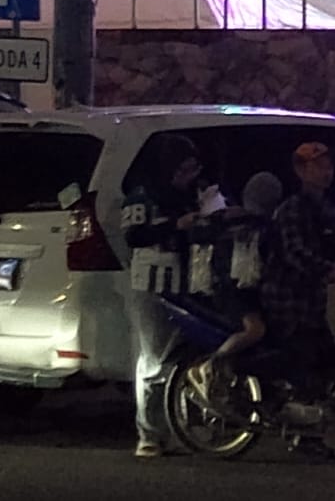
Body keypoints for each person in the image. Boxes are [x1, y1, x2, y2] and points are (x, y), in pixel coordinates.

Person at [259, 142, 335, 457]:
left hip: (312, 300)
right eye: (318, 166)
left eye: (328, 165)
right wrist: (329, 270)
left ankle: (309, 429)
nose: (326, 171)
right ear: (300, 171)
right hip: (288, 299)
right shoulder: (293, 209)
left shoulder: (324, 207)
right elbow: (296, 254)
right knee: (309, 363)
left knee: (330, 363)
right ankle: (302, 434)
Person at [121, 133, 216, 460]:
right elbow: (134, 236)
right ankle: (149, 435)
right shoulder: (142, 196)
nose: (188, 176)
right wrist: (177, 225)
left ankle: (176, 430)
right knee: (153, 361)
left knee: (182, 359)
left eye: (193, 169)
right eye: (183, 170)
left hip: (185, 283)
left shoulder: (190, 196)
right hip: (151, 283)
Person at [185, 171, 284, 404]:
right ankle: (211, 365)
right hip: (232, 292)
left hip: (244, 290)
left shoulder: (244, 220)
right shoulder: (245, 223)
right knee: (255, 330)